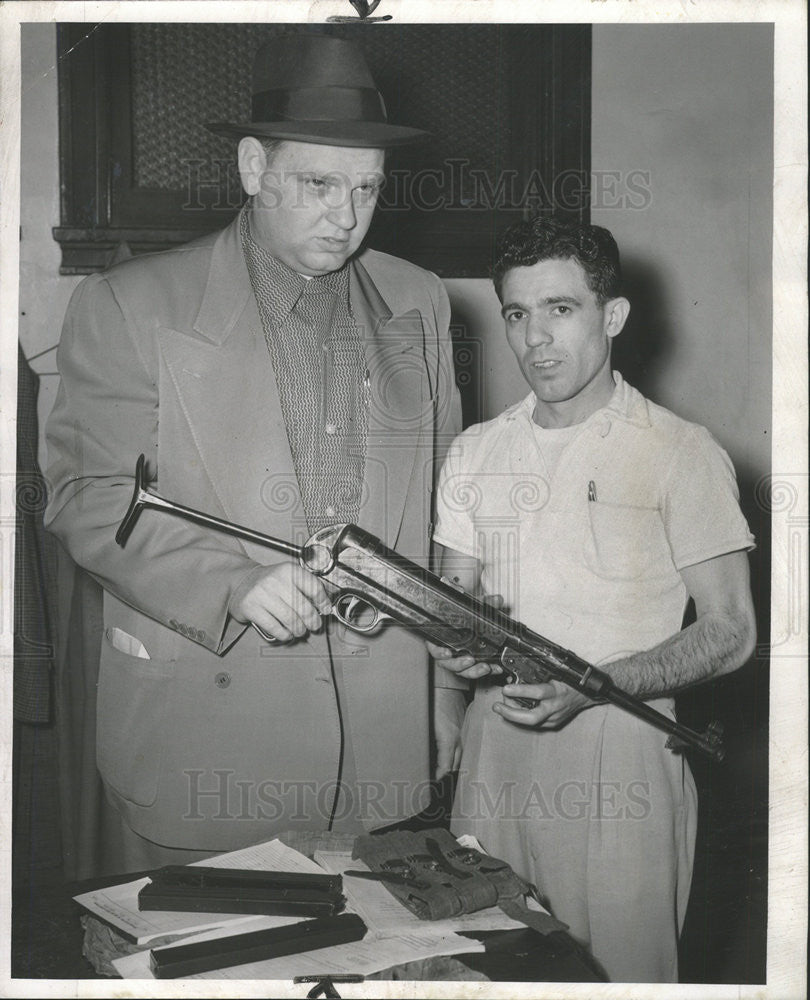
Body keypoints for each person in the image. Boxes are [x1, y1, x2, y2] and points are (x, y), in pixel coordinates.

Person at [45, 33, 461, 872]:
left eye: (367, 189)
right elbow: (89, 498)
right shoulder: (129, 304)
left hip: (383, 749)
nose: (345, 217)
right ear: (250, 168)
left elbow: (448, 508)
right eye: (317, 184)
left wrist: (447, 692)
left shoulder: (421, 301)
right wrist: (232, 584)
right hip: (206, 739)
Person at [430, 217, 756, 982]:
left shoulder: (680, 452)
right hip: (496, 746)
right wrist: (447, 669)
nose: (536, 338)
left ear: (611, 316)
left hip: (623, 745)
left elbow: (732, 632)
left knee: (618, 976)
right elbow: (452, 601)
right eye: (517, 313)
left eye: (560, 309)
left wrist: (593, 685)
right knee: (482, 966)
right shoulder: (476, 451)